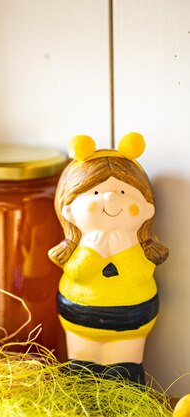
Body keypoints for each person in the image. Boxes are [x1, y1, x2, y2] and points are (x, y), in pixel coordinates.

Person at [49, 132, 168, 384]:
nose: (111, 198)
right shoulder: (83, 245)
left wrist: (125, 250)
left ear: (147, 209)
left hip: (131, 319)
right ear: (68, 210)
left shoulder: (135, 245)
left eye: (124, 191)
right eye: (94, 194)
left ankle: (128, 396)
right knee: (83, 368)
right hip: (80, 318)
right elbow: (78, 274)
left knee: (125, 368)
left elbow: (139, 275)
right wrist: (92, 250)